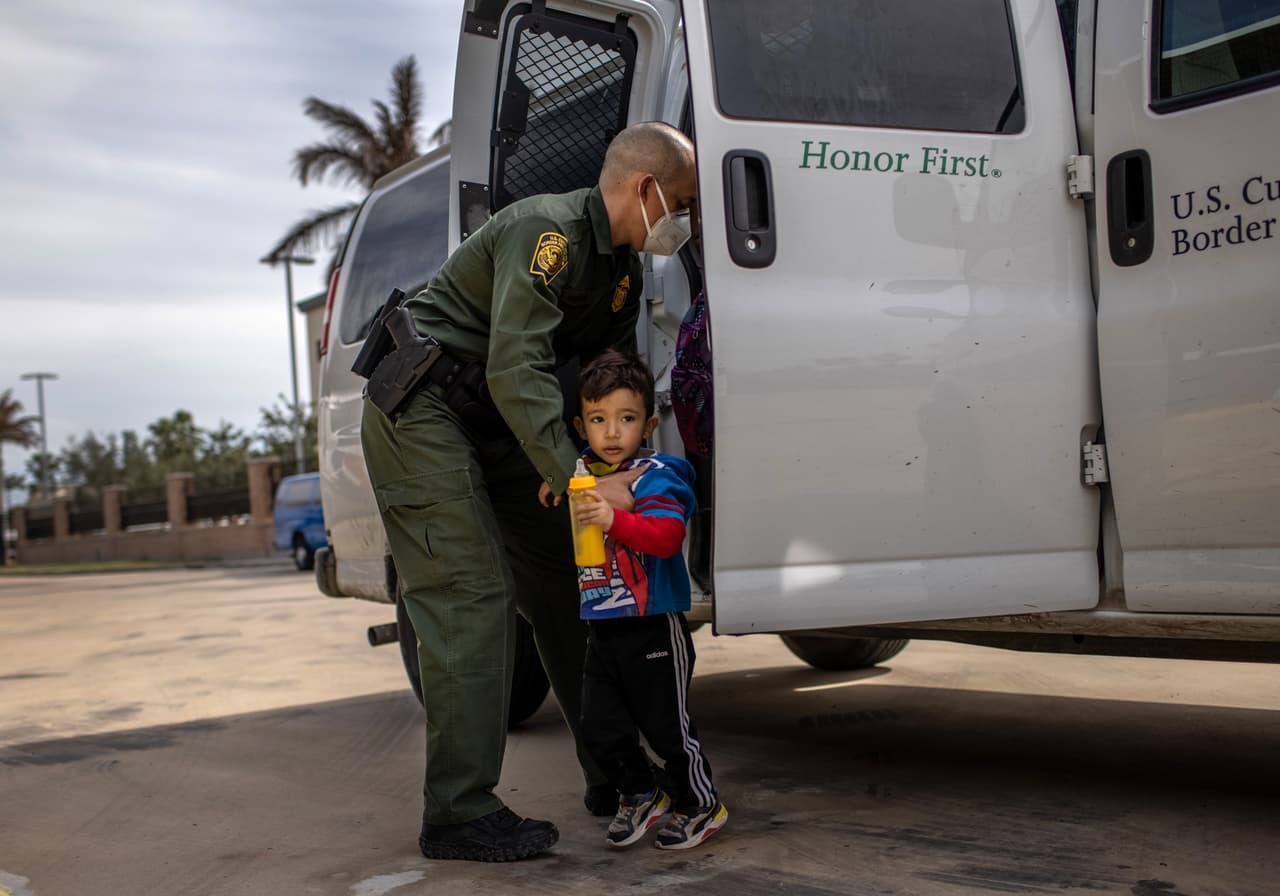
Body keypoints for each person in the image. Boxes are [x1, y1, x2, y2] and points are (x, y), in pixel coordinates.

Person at [360, 121, 698, 862]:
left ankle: (617, 776)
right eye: (682, 201)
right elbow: (518, 367)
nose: (686, 221)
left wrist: (614, 469)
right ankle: (456, 811)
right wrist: (573, 477)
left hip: (503, 425)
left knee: (573, 588)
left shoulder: (621, 273)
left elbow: (592, 381)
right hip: (426, 408)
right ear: (645, 190)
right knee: (470, 594)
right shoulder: (545, 233)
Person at [548, 349, 727, 851]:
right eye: (598, 420)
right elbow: (571, 484)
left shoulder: (657, 474)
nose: (611, 433)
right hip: (603, 626)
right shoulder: (584, 471)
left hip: (652, 625)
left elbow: (667, 537)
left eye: (625, 419)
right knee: (598, 728)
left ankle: (702, 803)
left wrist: (613, 520)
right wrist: (555, 485)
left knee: (668, 728)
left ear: (647, 424)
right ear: (581, 426)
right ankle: (643, 794)